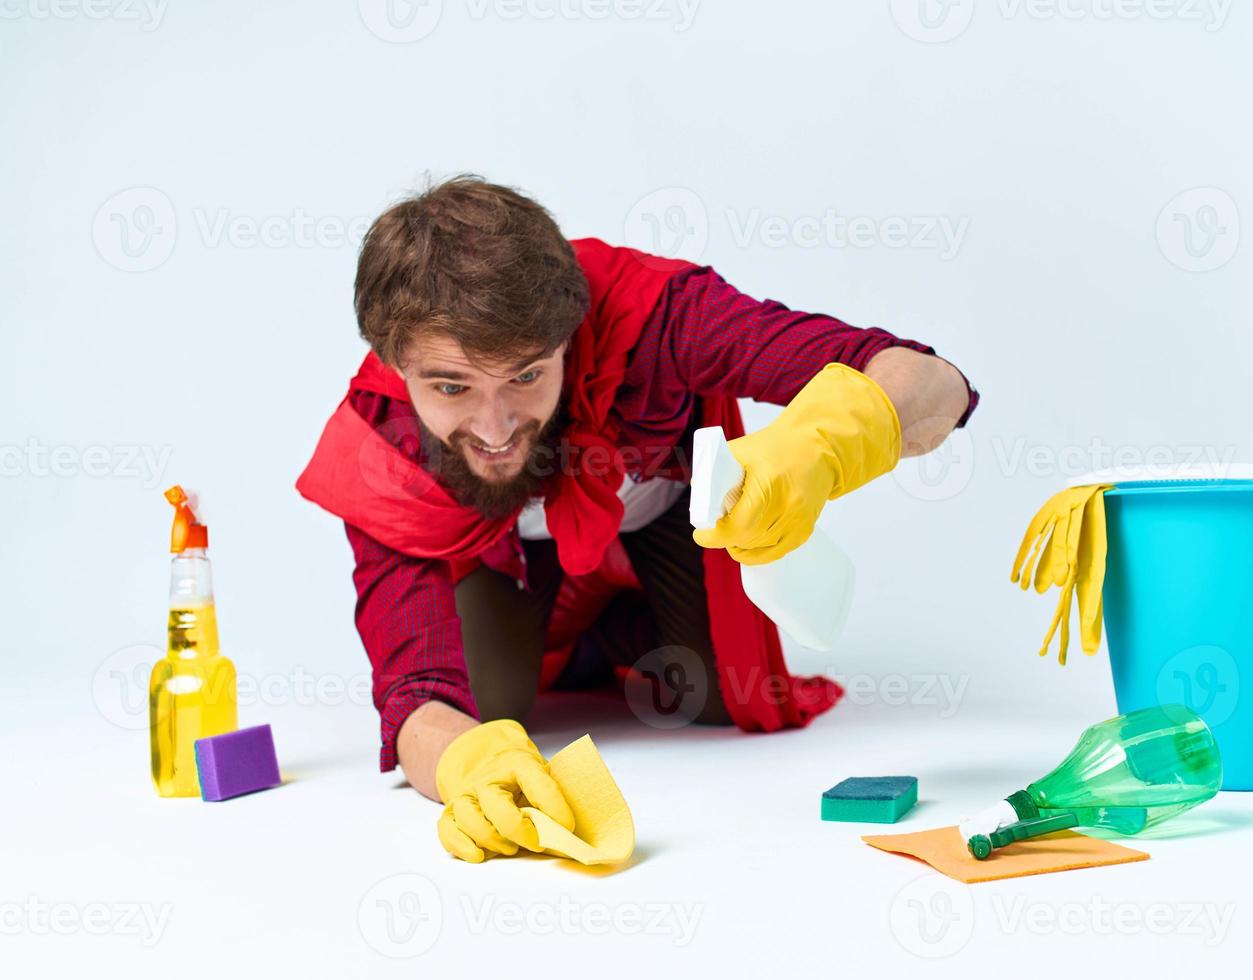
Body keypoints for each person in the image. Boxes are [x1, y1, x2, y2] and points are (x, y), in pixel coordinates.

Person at [297, 177, 977, 859]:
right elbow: (415, 697)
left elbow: (931, 381)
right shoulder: (381, 442)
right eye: (452, 387)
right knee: (487, 704)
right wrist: (461, 764)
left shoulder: (656, 316)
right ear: (395, 361)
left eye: (527, 375)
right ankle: (571, 638)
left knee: (710, 697)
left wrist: (825, 442)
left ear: (569, 333)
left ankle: (613, 627)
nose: (495, 425)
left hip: (660, 528)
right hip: (509, 565)